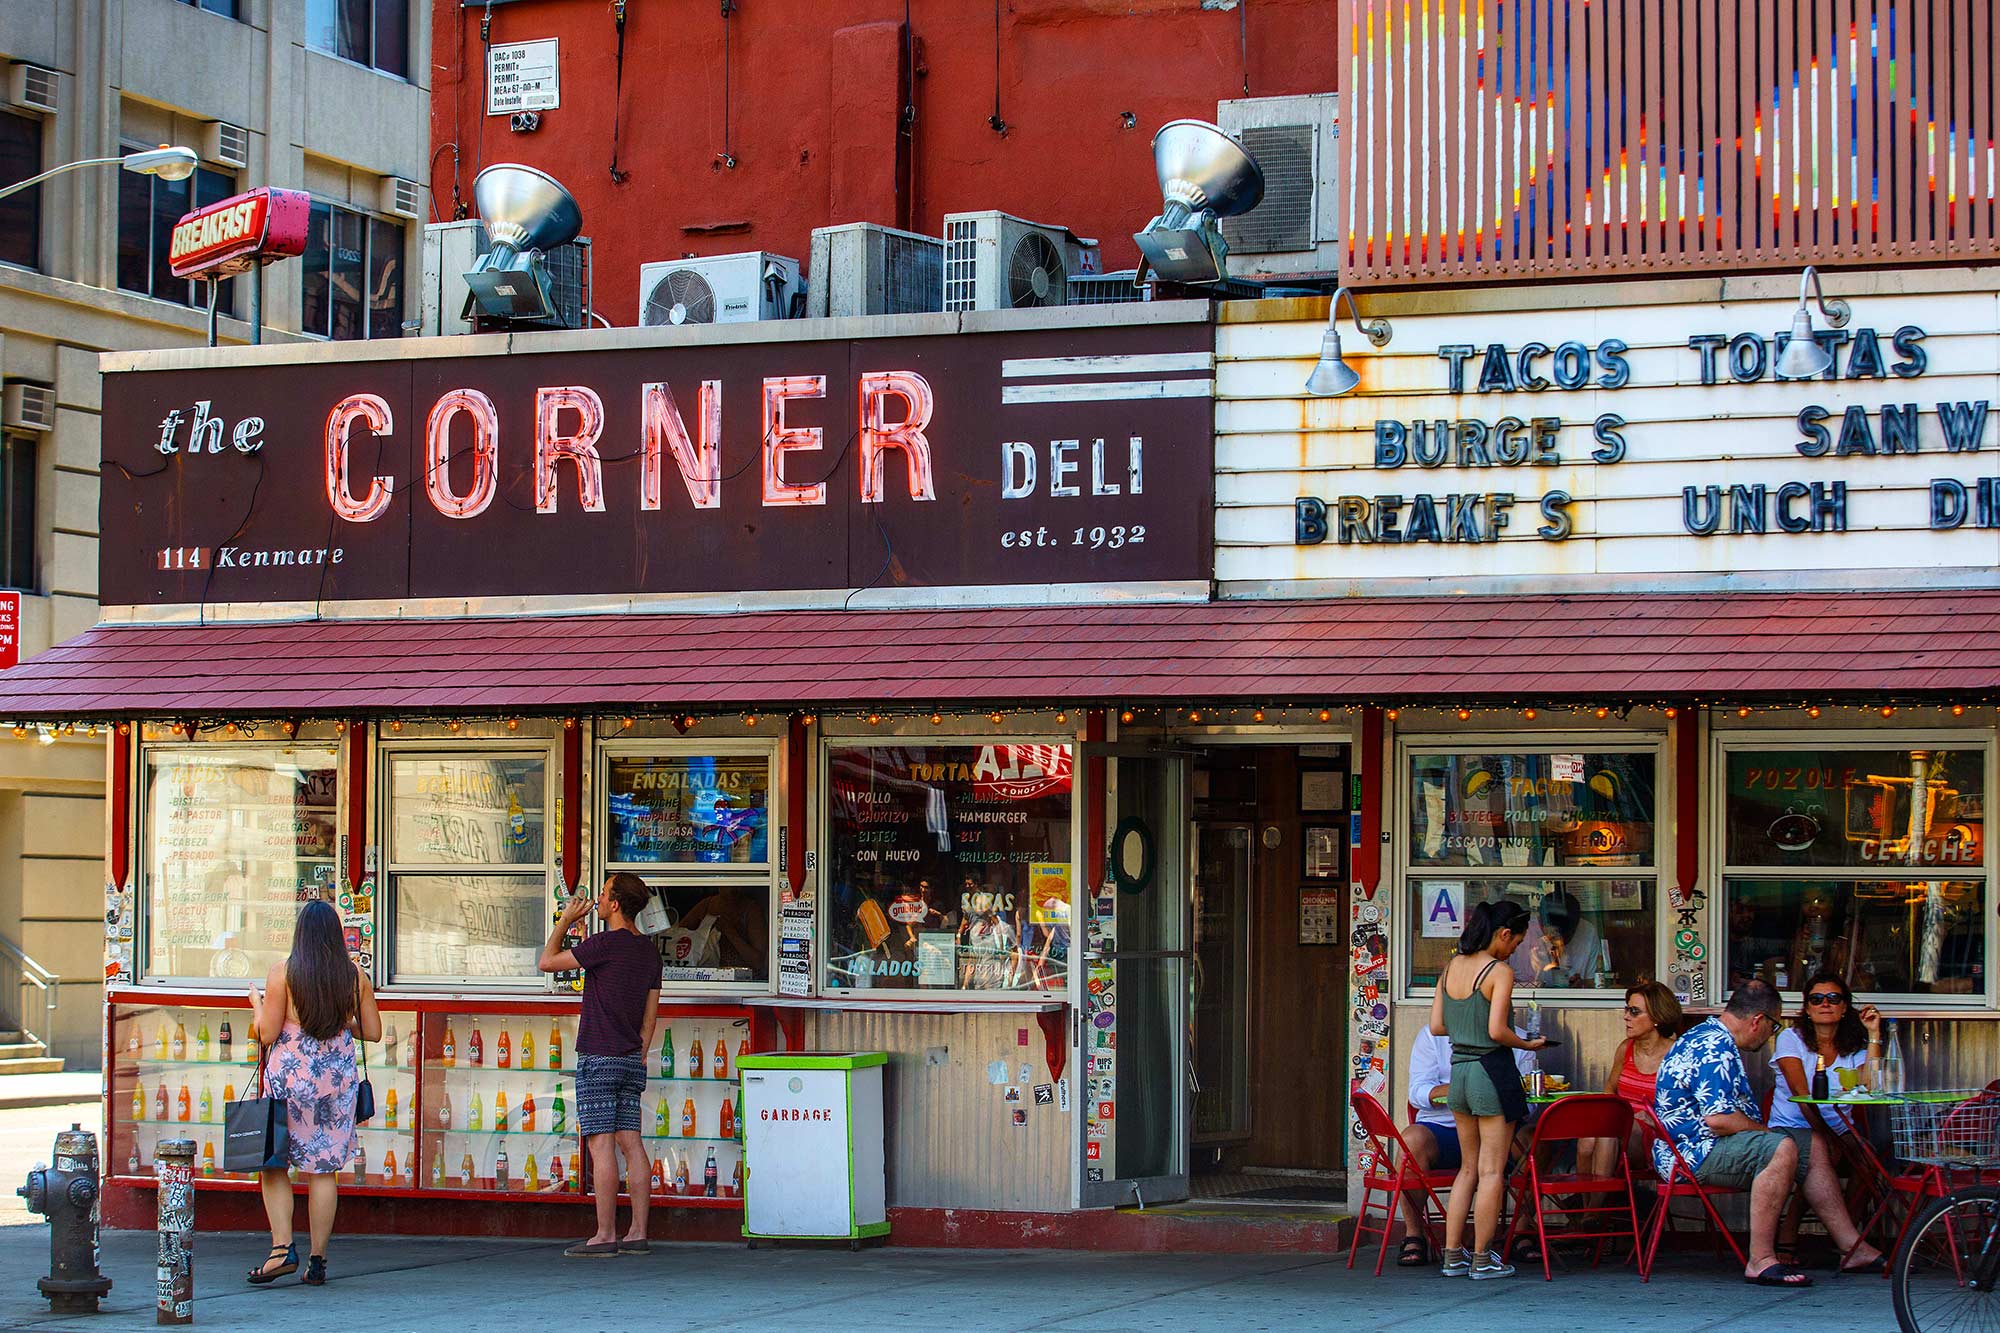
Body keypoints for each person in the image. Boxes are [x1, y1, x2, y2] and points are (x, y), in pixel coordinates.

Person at [1651, 981, 1884, 1287]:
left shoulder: (1711, 1036)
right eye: (1773, 1028)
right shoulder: (1713, 1046)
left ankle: (1852, 1248)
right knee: (1781, 1146)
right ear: (1758, 1020)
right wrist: (1766, 1133)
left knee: (1812, 1144)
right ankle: (1761, 1260)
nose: (1770, 1036)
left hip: (1706, 1144)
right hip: (1692, 1154)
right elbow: (1719, 1121)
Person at [244, 900, 382, 1287]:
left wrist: (256, 1007)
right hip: (335, 1082)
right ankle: (318, 1260)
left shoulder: (282, 973)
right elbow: (371, 1031)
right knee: (322, 1171)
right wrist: (340, 1019)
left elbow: (267, 1034)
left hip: (290, 1078)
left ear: (300, 934)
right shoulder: (354, 975)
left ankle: (281, 1249)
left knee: (274, 1163)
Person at [539, 872, 661, 1257]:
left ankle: (605, 1233)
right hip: (630, 1057)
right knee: (631, 1140)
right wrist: (639, 1052)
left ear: (615, 904)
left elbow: (547, 961)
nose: (599, 899)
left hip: (597, 1054)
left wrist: (566, 920)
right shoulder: (649, 952)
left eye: (604, 893)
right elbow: (650, 1015)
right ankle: (638, 1232)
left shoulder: (603, 944)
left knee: (600, 1143)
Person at [1429, 899, 1547, 1280]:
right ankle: (1482, 1257)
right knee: (1493, 1170)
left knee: (1467, 1169)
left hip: (1459, 1072)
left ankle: (1452, 1256)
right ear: (1503, 934)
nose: (1517, 950)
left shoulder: (1450, 968)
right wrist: (1527, 1044)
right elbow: (1497, 1031)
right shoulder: (1499, 971)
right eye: (1517, 942)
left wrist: (1467, 1027)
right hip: (1491, 1071)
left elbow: (1437, 1026)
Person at [1770, 971, 1885, 1268]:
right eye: (1816, 999)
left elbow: (1870, 1085)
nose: (1825, 1004)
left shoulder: (1854, 1044)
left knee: (1869, 1158)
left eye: (1834, 998)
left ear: (1845, 1007)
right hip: (1791, 1127)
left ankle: (1847, 1238)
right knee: (1824, 1152)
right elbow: (1802, 1093)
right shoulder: (1790, 1039)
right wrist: (1829, 1137)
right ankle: (1791, 1232)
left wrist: (1873, 1034)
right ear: (1806, 1008)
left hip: (1838, 1128)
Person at [1396, 1025, 1532, 1266]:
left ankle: (1521, 1232)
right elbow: (1417, 1093)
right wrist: (1460, 1089)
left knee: (1533, 1141)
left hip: (1500, 1128)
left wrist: (1495, 1094)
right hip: (1444, 1129)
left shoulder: (1519, 1040)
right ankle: (1414, 1234)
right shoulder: (1433, 1035)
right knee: (1411, 1141)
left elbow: (1530, 1105)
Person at [1577, 980, 1682, 1179]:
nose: (1626, 1017)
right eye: (1627, 1010)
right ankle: (1588, 1205)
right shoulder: (1626, 1048)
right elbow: (1609, 1092)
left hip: (1658, 1136)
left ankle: (1592, 1210)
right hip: (1619, 1128)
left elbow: (1688, 1107)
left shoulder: (1677, 1054)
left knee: (1609, 1131)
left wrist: (1655, 1119)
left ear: (1657, 1017)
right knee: (1588, 1138)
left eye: (1634, 1012)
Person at [1514, 888, 1605, 989]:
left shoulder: (1588, 932)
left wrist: (1581, 986)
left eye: (1567, 935)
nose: (1560, 942)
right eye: (1554, 935)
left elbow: (1591, 982)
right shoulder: (1522, 934)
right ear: (1541, 922)